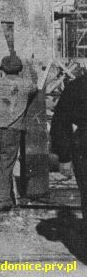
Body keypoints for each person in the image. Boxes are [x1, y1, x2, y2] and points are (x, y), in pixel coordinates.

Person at [0, 53, 37, 212]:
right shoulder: (27, 85)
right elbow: (35, 87)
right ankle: (3, 200)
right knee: (7, 165)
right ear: (20, 69)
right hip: (13, 129)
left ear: (3, 68)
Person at [50, 65, 87, 232]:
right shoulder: (78, 85)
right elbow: (61, 122)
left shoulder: (77, 85)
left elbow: (60, 122)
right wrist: (64, 157)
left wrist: (64, 157)